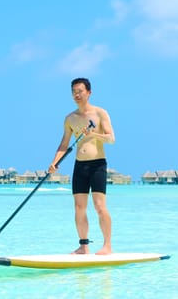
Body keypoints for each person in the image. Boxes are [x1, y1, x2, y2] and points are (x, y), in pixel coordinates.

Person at [48, 78, 115, 255]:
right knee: (79, 208)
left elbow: (111, 138)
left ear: (89, 92)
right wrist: (55, 162)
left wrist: (94, 134)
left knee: (100, 207)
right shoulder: (70, 118)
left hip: (97, 165)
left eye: (80, 91)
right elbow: (64, 144)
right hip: (80, 166)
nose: (76, 95)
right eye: (73, 92)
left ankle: (107, 245)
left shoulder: (100, 113)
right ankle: (84, 246)